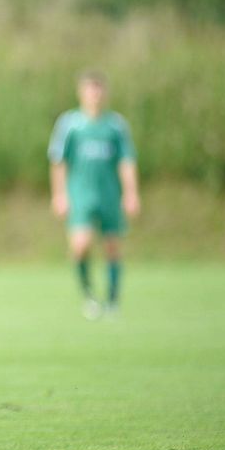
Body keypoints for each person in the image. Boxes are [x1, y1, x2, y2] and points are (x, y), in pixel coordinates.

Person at [48, 72, 139, 320]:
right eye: (90, 89)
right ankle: (89, 295)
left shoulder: (115, 125)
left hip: (109, 194)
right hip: (81, 195)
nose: (95, 94)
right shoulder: (70, 124)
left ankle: (112, 299)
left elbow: (126, 161)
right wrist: (59, 195)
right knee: (80, 246)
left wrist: (131, 193)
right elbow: (59, 161)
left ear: (105, 93)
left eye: (99, 89)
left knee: (112, 247)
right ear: (82, 92)